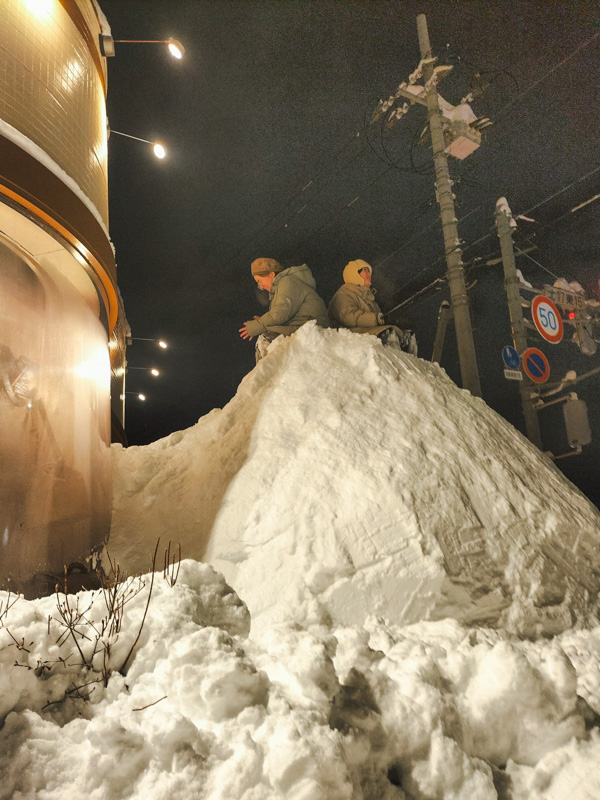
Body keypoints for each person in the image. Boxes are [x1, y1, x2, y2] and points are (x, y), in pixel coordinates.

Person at [239, 258, 329, 360]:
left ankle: (269, 375)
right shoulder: (281, 287)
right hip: (303, 325)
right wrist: (264, 322)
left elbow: (279, 314)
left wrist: (259, 324)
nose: (261, 286)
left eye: (260, 281)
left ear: (271, 274)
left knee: (265, 339)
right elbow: (281, 315)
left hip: (313, 327)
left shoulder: (287, 281)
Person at [328, 259, 417, 355]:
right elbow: (349, 317)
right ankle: (394, 364)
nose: (369, 274)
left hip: (365, 332)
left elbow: (379, 320)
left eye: (369, 271)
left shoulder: (369, 298)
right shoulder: (343, 294)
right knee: (389, 333)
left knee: (407, 336)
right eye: (365, 270)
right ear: (354, 274)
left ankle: (411, 365)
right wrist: (376, 319)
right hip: (348, 336)